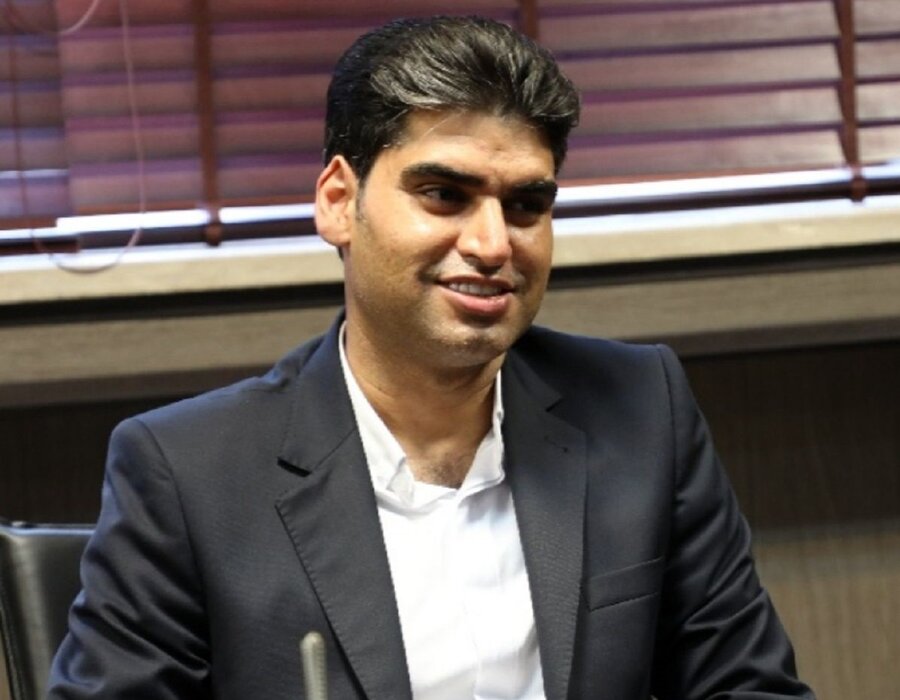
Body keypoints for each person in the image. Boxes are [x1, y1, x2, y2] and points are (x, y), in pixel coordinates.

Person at [48, 15, 815, 700]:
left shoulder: (641, 409)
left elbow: (748, 687)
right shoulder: (189, 472)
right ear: (338, 201)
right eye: (444, 194)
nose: (492, 244)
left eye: (526, 205)